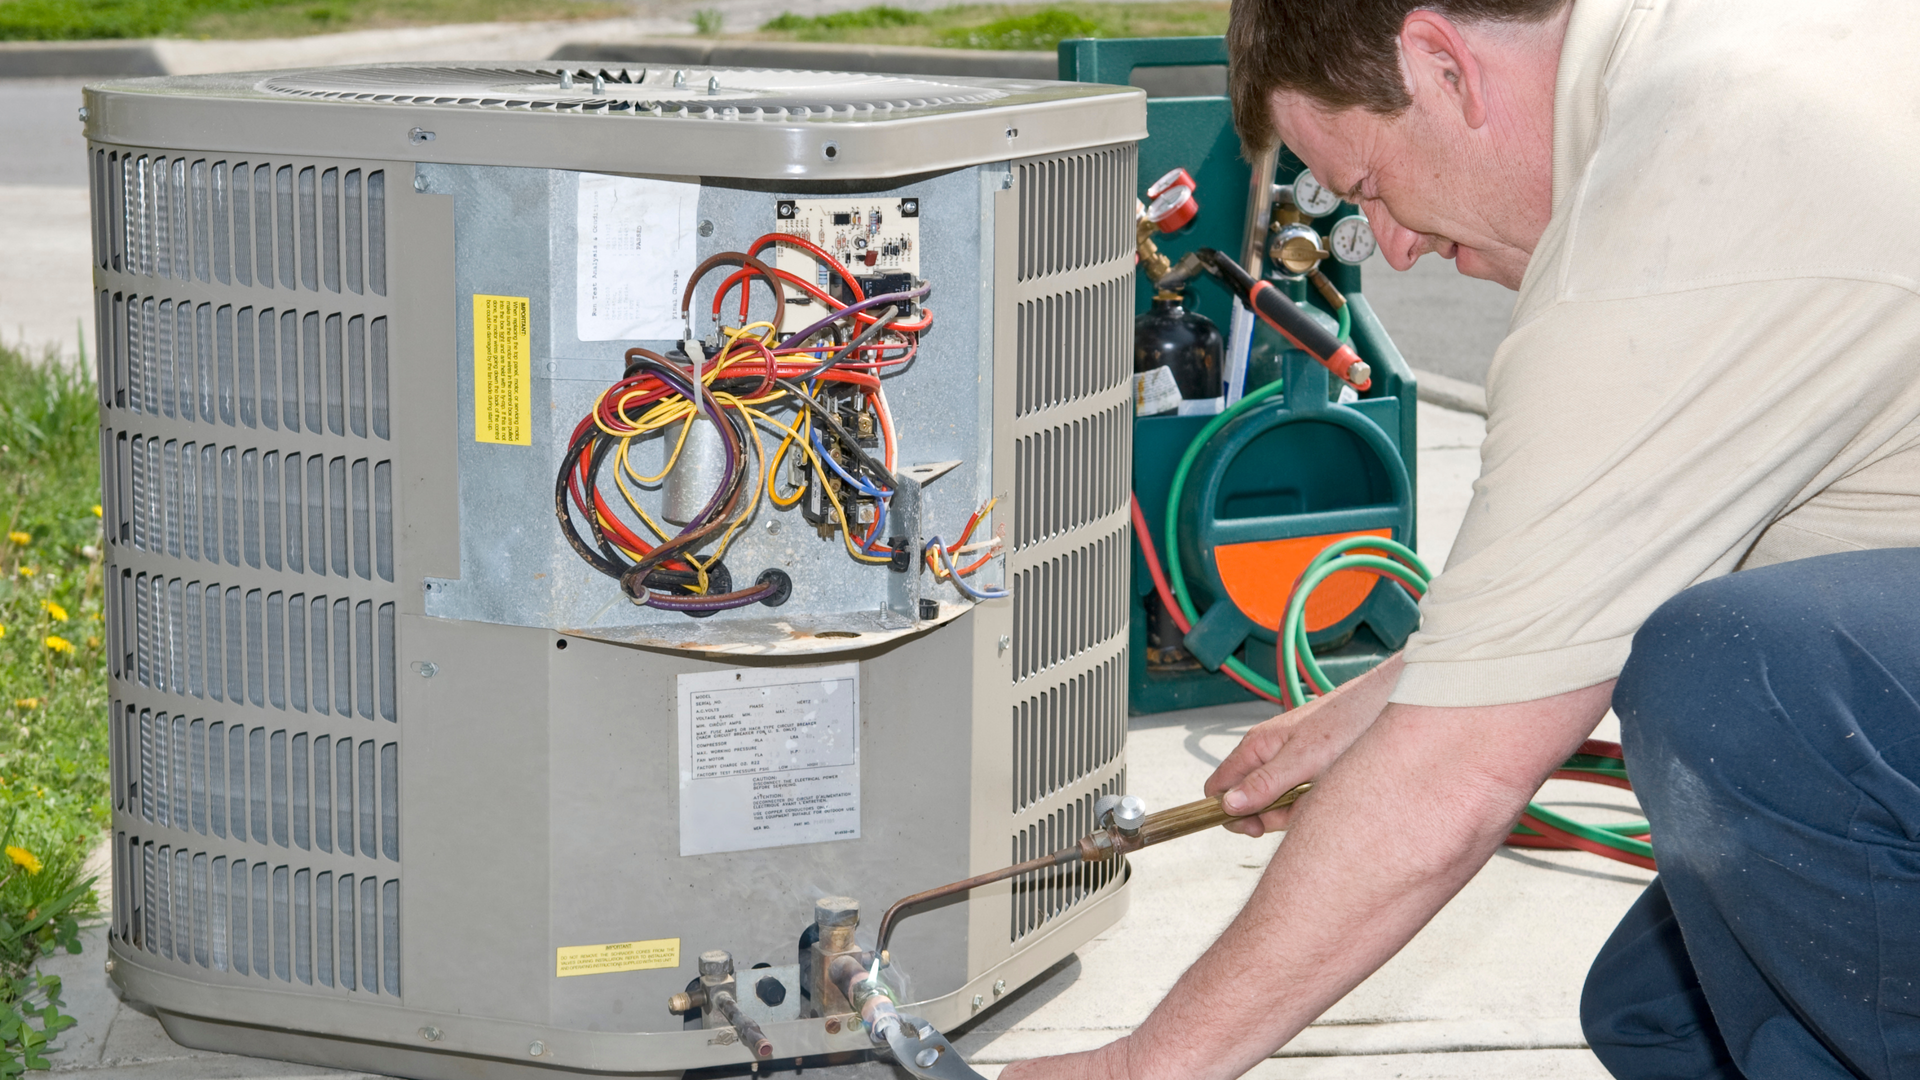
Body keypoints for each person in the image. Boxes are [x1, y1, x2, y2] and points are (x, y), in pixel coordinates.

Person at [1001, 0, 1920, 1077]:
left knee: (1739, 674)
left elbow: (1457, 778)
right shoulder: (1728, 49)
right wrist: (1390, 695)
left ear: (1442, 61)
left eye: (1371, 189)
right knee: (1669, 1013)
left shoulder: (1694, 190)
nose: (1389, 247)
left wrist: (1138, 1069)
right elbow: (1613, 550)